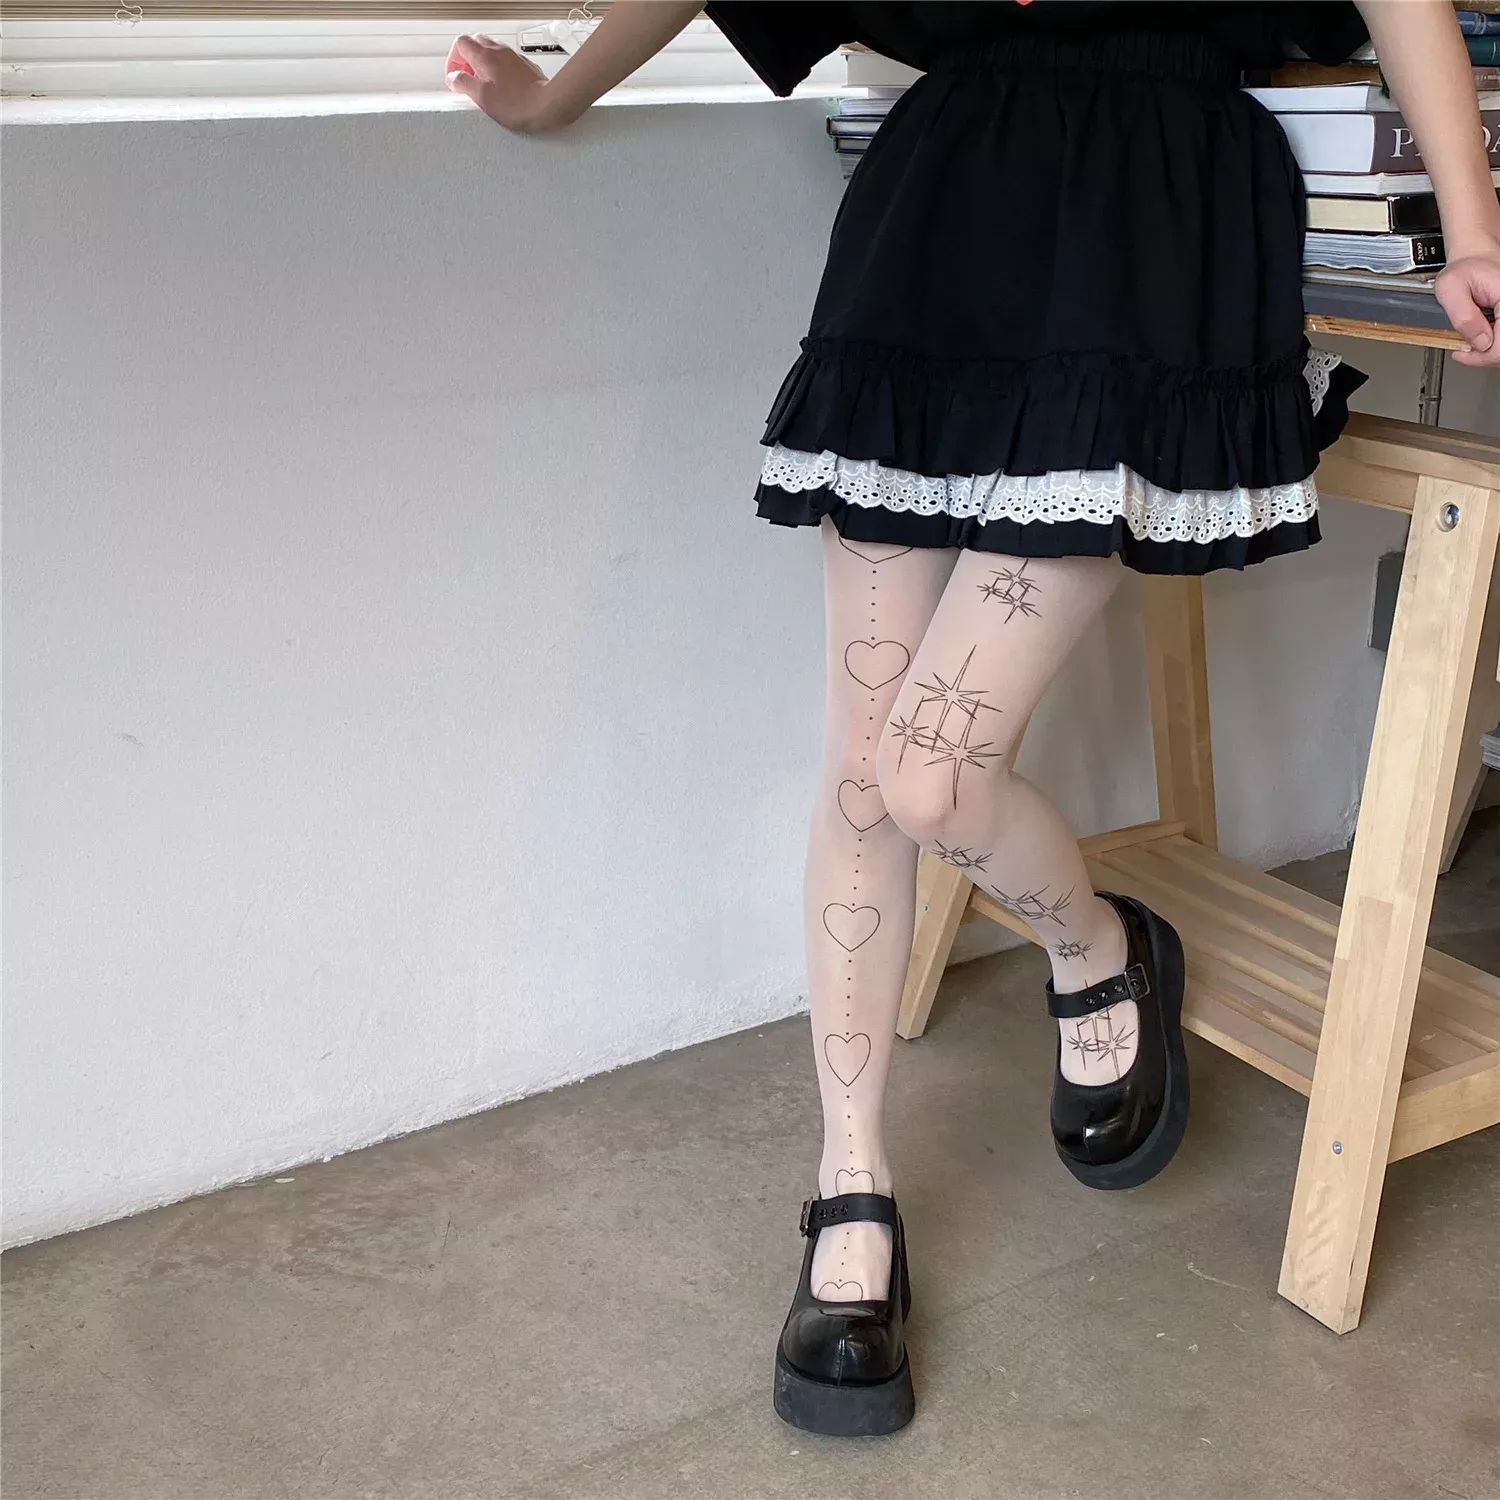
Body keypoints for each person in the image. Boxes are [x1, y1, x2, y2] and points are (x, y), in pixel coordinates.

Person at [445, 0, 1500, 1437]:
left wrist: (1470, 221)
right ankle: (850, 1187)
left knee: (932, 777)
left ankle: (1098, 946)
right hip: (938, 228)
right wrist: (556, 94)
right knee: (865, 773)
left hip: (1149, 232)